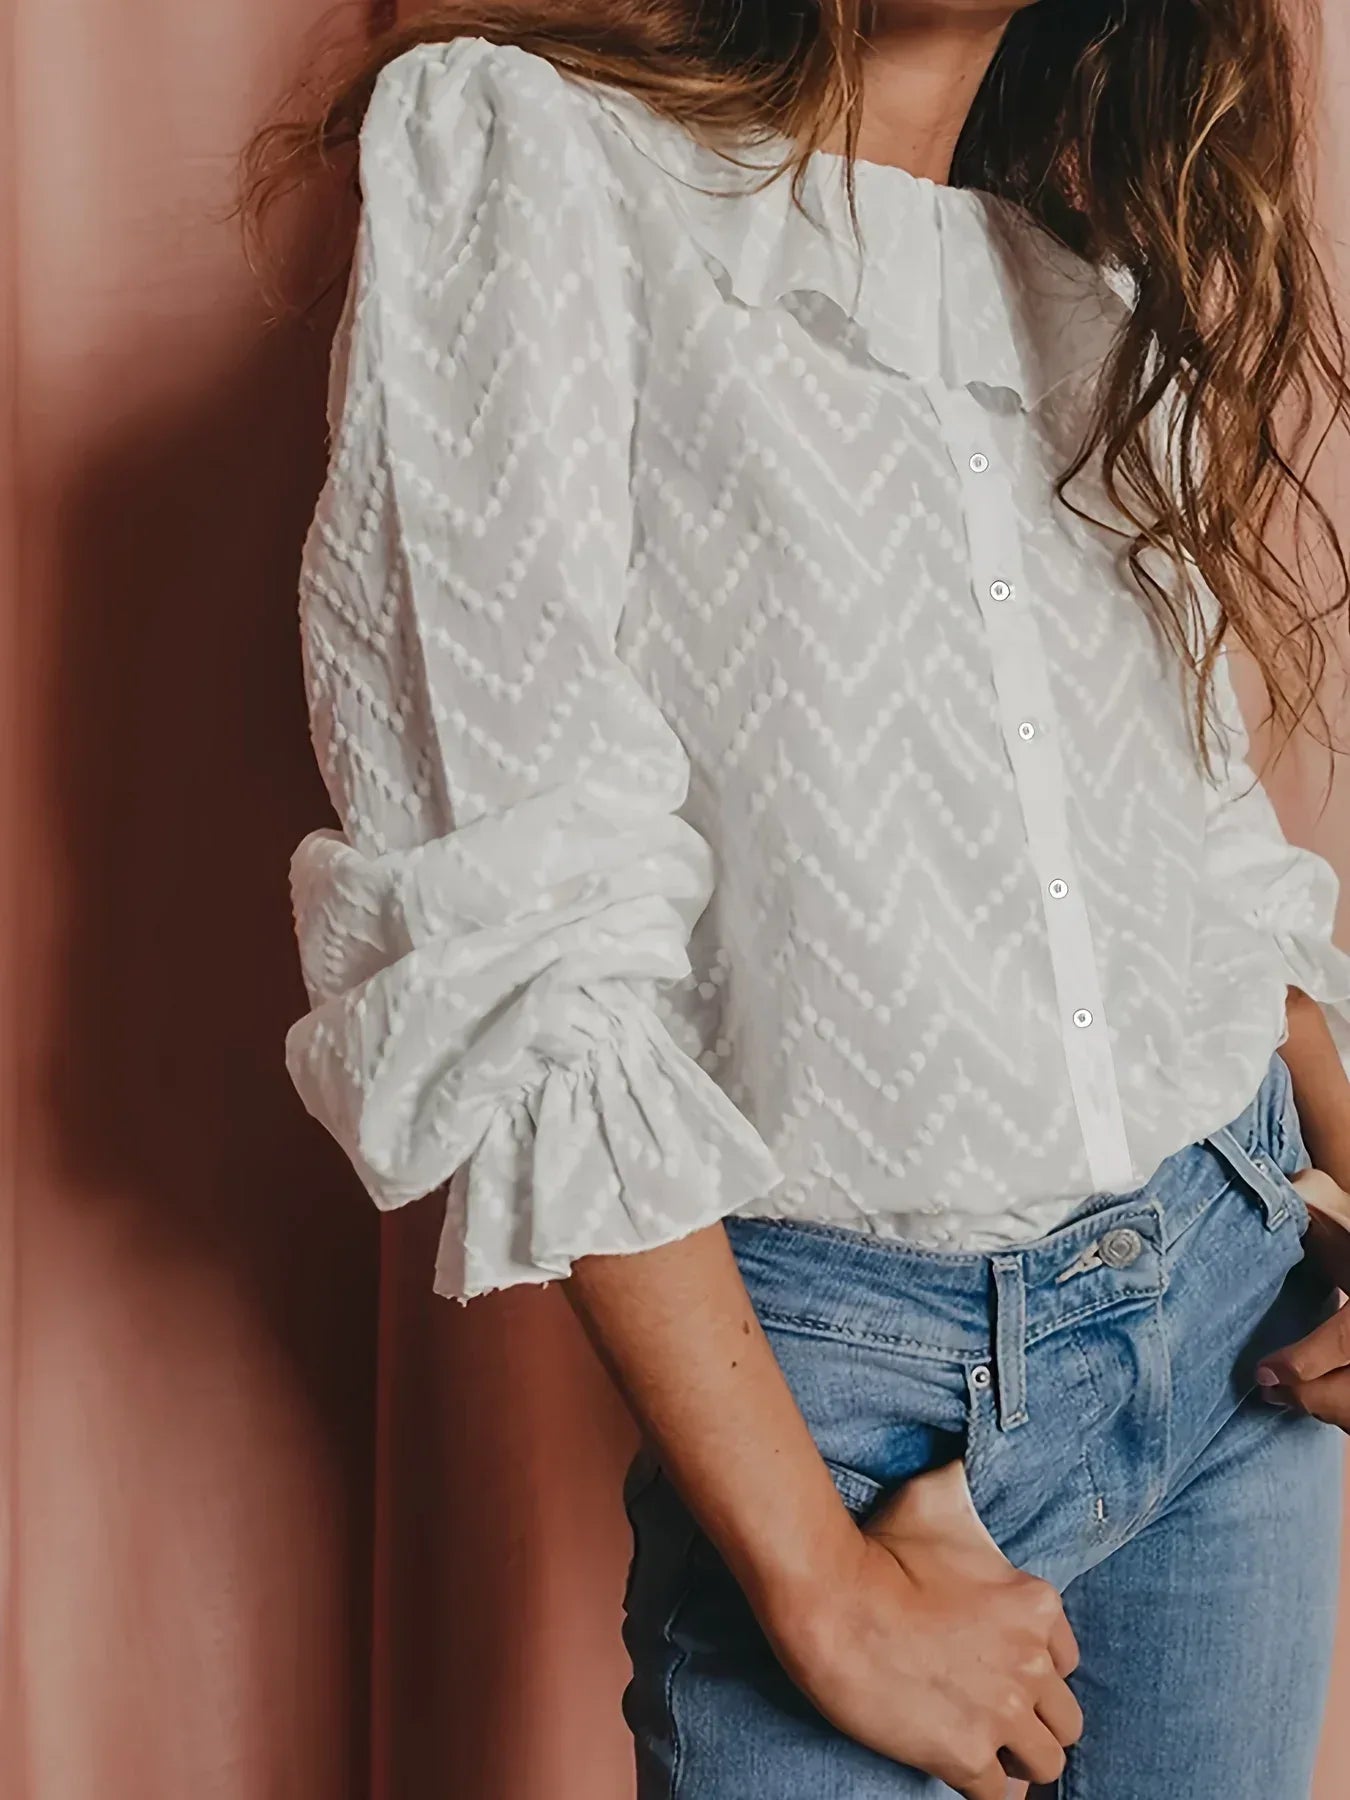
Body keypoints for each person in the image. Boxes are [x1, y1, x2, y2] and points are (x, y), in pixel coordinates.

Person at [240, 4, 1350, 1794]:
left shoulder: (1081, 276)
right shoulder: (531, 156)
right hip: (838, 1405)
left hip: (1234, 1341)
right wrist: (817, 1588)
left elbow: (1207, 865)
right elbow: (515, 920)